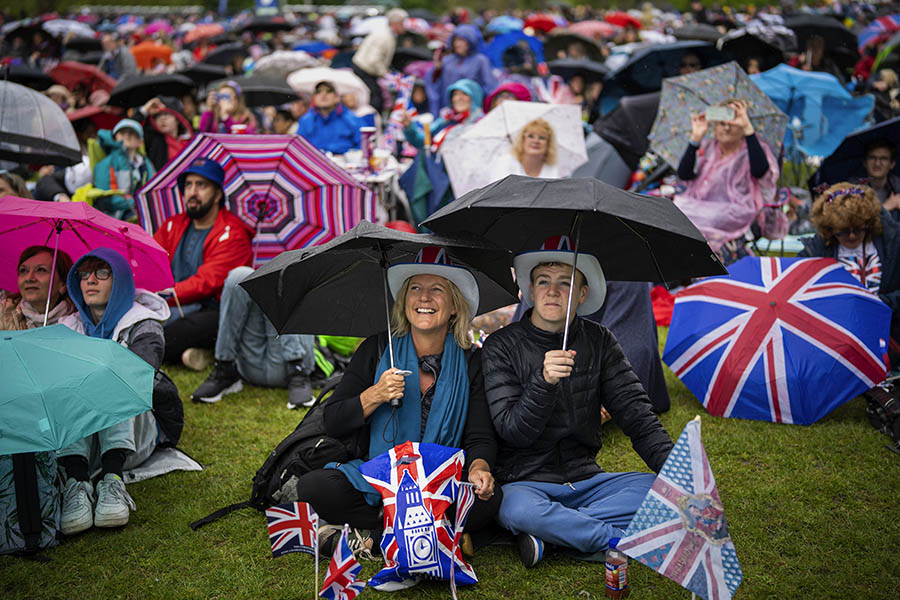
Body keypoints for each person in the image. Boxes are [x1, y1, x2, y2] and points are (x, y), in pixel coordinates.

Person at [294, 248, 500, 589]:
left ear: (453, 307)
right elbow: (333, 421)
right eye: (415, 289)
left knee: (490, 500)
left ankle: (379, 533)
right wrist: (373, 395)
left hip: (440, 485)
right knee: (314, 486)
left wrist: (480, 467)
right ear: (403, 301)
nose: (424, 298)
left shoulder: (471, 361)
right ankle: (427, 530)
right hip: (380, 479)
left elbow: (480, 435)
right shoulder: (377, 349)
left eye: (437, 289)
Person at [481, 237, 673, 567]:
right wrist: (543, 382)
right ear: (530, 290)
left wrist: (678, 476)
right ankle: (614, 542)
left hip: (588, 480)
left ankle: (555, 538)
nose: (552, 291)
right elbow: (512, 432)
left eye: (566, 282)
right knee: (514, 508)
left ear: (583, 295)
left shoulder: (599, 340)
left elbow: (636, 414)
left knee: (665, 493)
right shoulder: (501, 346)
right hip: (526, 483)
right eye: (543, 281)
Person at [57, 248, 170, 535]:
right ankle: (77, 483)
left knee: (115, 374)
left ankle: (112, 480)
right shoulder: (67, 327)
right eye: (83, 275)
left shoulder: (144, 324)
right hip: (83, 441)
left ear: (119, 280)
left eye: (101, 273)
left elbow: (140, 372)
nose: (90, 280)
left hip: (136, 435)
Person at [152, 157, 253, 368]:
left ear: (217, 194)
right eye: (188, 185)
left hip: (212, 310)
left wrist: (163, 294)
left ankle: (198, 350)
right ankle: (196, 353)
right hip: (169, 304)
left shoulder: (233, 234)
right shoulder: (172, 225)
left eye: (201, 185)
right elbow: (151, 261)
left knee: (172, 333)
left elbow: (207, 282)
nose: (192, 192)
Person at [799, 183, 900, 362]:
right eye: (843, 231)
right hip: (838, 346)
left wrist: (881, 303)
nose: (852, 236)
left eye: (859, 229)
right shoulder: (814, 252)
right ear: (829, 229)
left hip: (891, 339)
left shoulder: (893, 242)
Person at [189, 266, 315, 406]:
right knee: (239, 275)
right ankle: (224, 367)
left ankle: (297, 370)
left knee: (286, 274)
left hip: (288, 360)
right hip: (251, 366)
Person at [674, 99, 779, 264]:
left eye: (733, 123)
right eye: (722, 123)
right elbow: (684, 174)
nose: (727, 127)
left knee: (708, 219)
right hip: (699, 205)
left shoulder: (753, 148)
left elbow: (760, 171)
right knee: (675, 212)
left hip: (736, 209)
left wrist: (748, 129)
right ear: (715, 126)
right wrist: (695, 138)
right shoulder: (708, 147)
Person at [92, 119, 156, 221]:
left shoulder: (146, 164)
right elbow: (104, 199)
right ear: (115, 138)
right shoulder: (105, 164)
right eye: (122, 132)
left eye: (132, 133)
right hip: (114, 221)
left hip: (144, 218)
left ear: (140, 142)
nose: (127, 136)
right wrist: (138, 202)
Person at [426, 25, 497, 115]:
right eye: (455, 40)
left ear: (470, 41)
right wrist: (436, 71)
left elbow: (490, 86)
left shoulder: (480, 60)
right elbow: (436, 85)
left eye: (461, 40)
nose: (457, 44)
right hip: (449, 108)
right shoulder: (448, 60)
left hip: (472, 110)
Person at [1, 246, 75, 331]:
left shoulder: (81, 323)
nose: (29, 278)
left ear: (63, 284)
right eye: (23, 270)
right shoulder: (3, 315)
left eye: (41, 270)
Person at [351, 8, 408, 114]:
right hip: (364, 70)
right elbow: (374, 60)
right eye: (403, 23)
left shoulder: (387, 34)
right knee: (376, 100)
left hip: (366, 69)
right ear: (396, 23)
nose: (404, 26)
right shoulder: (384, 36)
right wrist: (385, 73)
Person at [297, 80, 363, 155]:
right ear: (314, 98)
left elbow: (363, 146)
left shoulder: (351, 119)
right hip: (313, 162)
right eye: (318, 92)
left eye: (329, 91)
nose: (323, 94)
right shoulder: (305, 120)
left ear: (337, 97)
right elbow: (298, 147)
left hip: (344, 164)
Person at [135, 96, 195, 172]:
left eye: (167, 114)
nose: (162, 119)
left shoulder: (190, 138)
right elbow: (130, 126)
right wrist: (144, 110)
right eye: (157, 116)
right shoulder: (153, 139)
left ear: (177, 119)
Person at [489, 118, 559, 180]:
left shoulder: (551, 168)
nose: (536, 141)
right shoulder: (506, 162)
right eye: (531, 136)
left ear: (548, 143)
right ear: (522, 140)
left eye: (542, 138)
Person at [857, 139, 900, 220]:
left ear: (892, 164)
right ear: (864, 162)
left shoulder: (897, 186)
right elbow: (855, 222)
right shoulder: (852, 189)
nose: (877, 163)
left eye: (883, 158)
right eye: (872, 158)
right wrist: (886, 207)